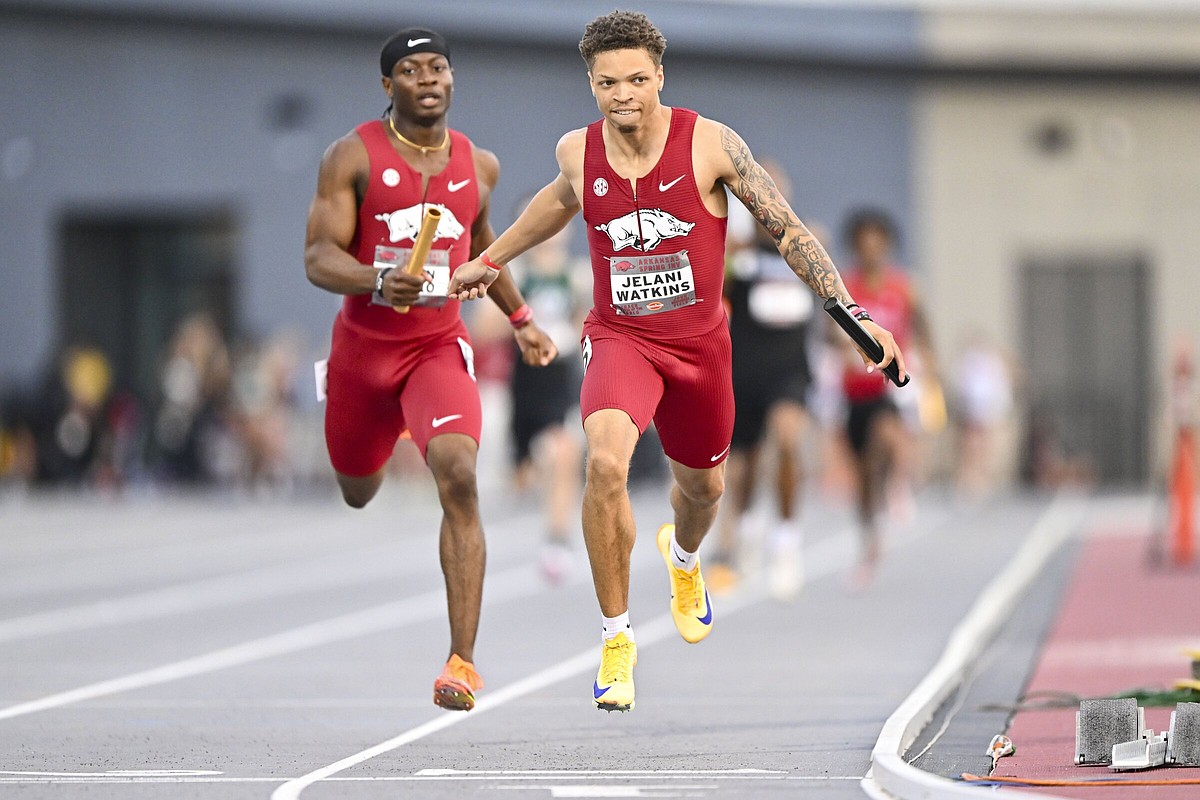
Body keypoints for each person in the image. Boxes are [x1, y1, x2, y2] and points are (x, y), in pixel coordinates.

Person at [448, 10, 905, 713]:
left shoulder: (712, 144)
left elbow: (786, 231)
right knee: (604, 463)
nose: (623, 94)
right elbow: (557, 202)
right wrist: (490, 258)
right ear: (591, 84)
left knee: (704, 493)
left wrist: (854, 315)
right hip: (621, 339)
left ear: (659, 75)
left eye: (636, 79)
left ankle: (685, 559)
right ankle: (617, 638)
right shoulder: (579, 149)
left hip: (699, 351)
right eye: (607, 83)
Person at [303, 26, 557, 713]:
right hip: (364, 353)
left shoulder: (480, 165)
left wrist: (525, 321)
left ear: (452, 78)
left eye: (438, 68)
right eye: (412, 71)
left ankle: (462, 662)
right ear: (388, 85)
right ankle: (370, 429)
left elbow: (483, 252)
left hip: (434, 349)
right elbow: (317, 256)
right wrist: (377, 280)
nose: (428, 80)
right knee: (358, 490)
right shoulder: (350, 156)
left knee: (461, 476)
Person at [711, 160, 818, 600]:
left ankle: (787, 543)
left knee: (789, 440)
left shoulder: (803, 247)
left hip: (790, 371)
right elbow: (713, 295)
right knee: (747, 467)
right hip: (745, 371)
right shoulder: (738, 257)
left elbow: (829, 292)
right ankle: (748, 532)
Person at [836, 208, 930, 588]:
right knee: (863, 480)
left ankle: (900, 486)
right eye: (864, 244)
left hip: (891, 388)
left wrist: (929, 363)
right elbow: (829, 331)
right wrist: (841, 348)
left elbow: (924, 328)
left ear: (888, 245)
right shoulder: (847, 286)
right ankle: (870, 541)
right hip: (854, 392)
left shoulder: (904, 287)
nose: (872, 251)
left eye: (878, 243)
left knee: (888, 434)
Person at [504, 224, 587, 584]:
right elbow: (485, 328)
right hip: (525, 381)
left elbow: (587, 322)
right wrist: (522, 320)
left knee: (563, 451)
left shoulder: (577, 276)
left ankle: (557, 540)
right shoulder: (516, 276)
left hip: (561, 377)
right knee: (524, 476)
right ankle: (533, 476)